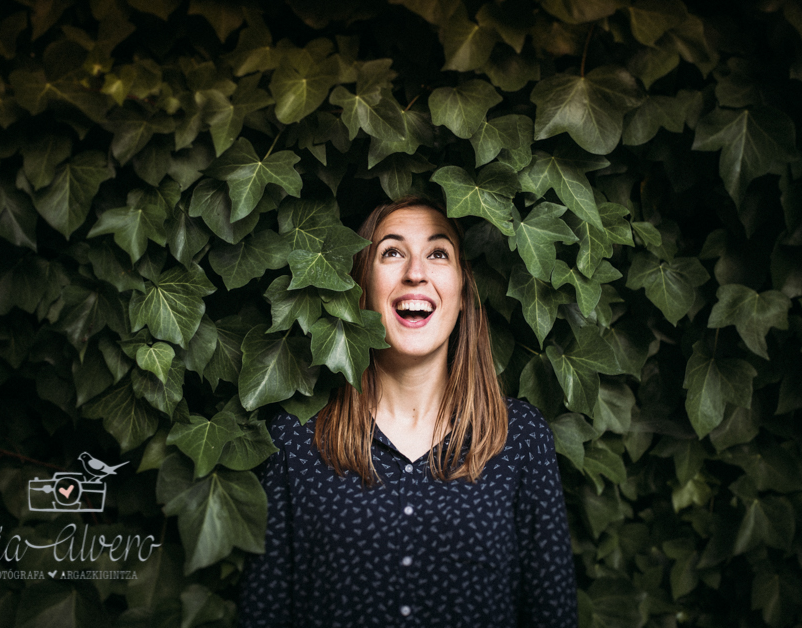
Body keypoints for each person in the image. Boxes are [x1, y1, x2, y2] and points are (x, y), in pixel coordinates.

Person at [238, 196, 578, 627]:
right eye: (392, 252)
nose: (415, 272)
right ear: (360, 287)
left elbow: (553, 615)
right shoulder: (297, 440)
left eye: (438, 253)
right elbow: (262, 614)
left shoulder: (520, 438)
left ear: (461, 294)